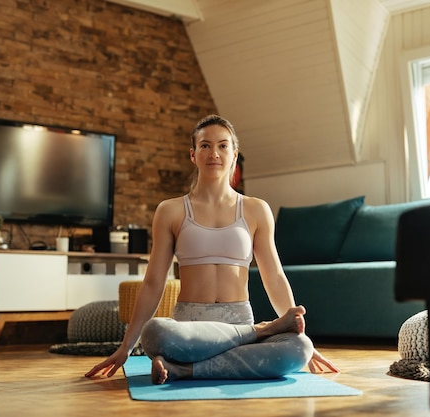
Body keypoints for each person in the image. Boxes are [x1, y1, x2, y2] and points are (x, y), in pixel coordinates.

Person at [85, 115, 339, 383]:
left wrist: (300, 333)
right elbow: (153, 283)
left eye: (223, 146)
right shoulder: (170, 211)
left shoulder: (256, 210)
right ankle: (255, 337)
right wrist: (126, 347)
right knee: (155, 333)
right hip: (190, 329)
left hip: (239, 322)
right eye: (205, 146)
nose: (214, 153)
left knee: (300, 349)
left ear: (234, 154)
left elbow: (273, 277)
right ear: (193, 155)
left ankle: (182, 369)